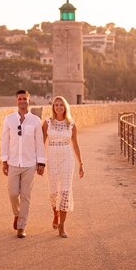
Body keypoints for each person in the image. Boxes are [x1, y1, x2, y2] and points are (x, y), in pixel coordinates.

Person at [1, 89, 46, 238]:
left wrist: (41, 163)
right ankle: (17, 214)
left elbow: (39, 143)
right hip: (13, 162)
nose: (22, 101)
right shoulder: (9, 119)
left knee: (26, 196)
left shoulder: (35, 120)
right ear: (16, 101)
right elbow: (5, 141)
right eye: (19, 99)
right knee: (13, 193)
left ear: (29, 100)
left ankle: (22, 226)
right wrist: (4, 160)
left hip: (29, 164)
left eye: (24, 99)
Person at [42, 95, 84, 238]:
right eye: (56, 105)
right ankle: (55, 213)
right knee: (54, 192)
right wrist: (39, 162)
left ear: (65, 107)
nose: (58, 107)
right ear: (53, 107)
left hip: (67, 157)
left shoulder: (71, 124)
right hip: (52, 156)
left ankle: (62, 226)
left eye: (61, 105)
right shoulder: (47, 123)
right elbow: (41, 143)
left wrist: (81, 163)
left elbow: (75, 144)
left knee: (65, 191)